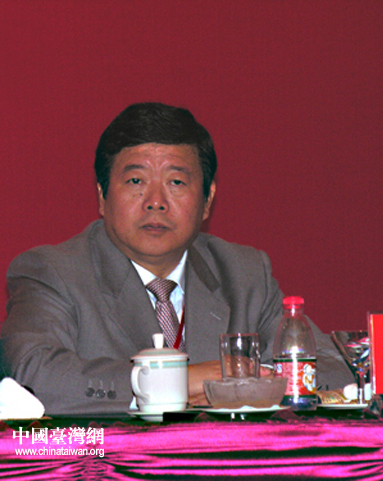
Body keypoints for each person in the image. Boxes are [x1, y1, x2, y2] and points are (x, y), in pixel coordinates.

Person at [0, 103, 353, 414]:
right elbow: (32, 375)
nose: (155, 201)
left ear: (208, 200)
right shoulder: (53, 272)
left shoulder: (245, 275)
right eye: (135, 181)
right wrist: (175, 384)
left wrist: (245, 382)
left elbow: (335, 368)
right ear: (102, 196)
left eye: (177, 183)